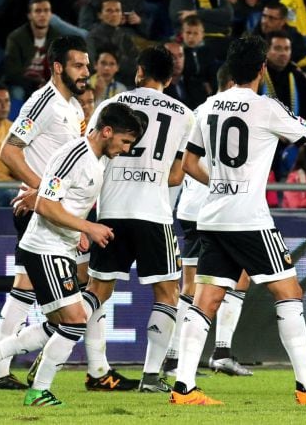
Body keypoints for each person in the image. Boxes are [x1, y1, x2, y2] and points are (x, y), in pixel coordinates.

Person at [172, 35, 306, 405]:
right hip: (249, 218)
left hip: (213, 217)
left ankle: (184, 388)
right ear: (262, 69)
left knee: (206, 299)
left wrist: (223, 185)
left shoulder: (207, 106)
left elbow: (188, 164)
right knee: (289, 293)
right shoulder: (266, 108)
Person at [0, 102, 143, 407]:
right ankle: (38, 391)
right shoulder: (77, 154)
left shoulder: (97, 161)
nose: (126, 149)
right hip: (45, 248)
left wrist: (76, 233)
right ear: (108, 131)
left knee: (58, 324)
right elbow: (47, 204)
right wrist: (88, 228)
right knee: (75, 321)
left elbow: (58, 197)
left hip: (60, 247)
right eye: (125, 141)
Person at [0, 35, 137, 392]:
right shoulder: (43, 102)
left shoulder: (73, 107)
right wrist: (40, 191)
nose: (86, 72)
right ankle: (92, 369)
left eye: (87, 65)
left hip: (57, 208)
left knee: (41, 289)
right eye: (78, 65)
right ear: (58, 67)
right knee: (81, 290)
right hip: (45, 208)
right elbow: (9, 151)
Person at [83, 45, 194, 393]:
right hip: (153, 214)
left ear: (139, 72)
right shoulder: (184, 114)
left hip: (111, 212)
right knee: (166, 293)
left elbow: (88, 156)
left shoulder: (110, 105)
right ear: (171, 78)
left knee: (96, 291)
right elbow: (177, 176)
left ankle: (52, 339)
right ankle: (150, 376)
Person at [163, 65, 255, 378]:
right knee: (231, 277)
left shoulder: (199, 112)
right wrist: (220, 185)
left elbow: (185, 163)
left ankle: (186, 356)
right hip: (214, 210)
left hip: (191, 209)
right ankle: (214, 353)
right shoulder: (233, 114)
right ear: (232, 84)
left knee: (202, 284)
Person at [4, 0, 62, 101]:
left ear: (51, 14)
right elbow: (12, 72)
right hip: (22, 84)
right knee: (18, 93)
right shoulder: (16, 38)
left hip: (48, 83)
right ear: (30, 15)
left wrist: (48, 84)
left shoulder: (57, 38)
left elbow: (59, 67)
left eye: (46, 11)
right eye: (38, 11)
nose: (42, 15)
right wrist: (35, 85)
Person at [86, 0, 140, 86]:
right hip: (101, 84)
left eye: (117, 11)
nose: (114, 14)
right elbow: (94, 65)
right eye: (109, 11)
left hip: (127, 82)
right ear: (100, 15)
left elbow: (137, 62)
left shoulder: (124, 36)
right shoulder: (93, 37)